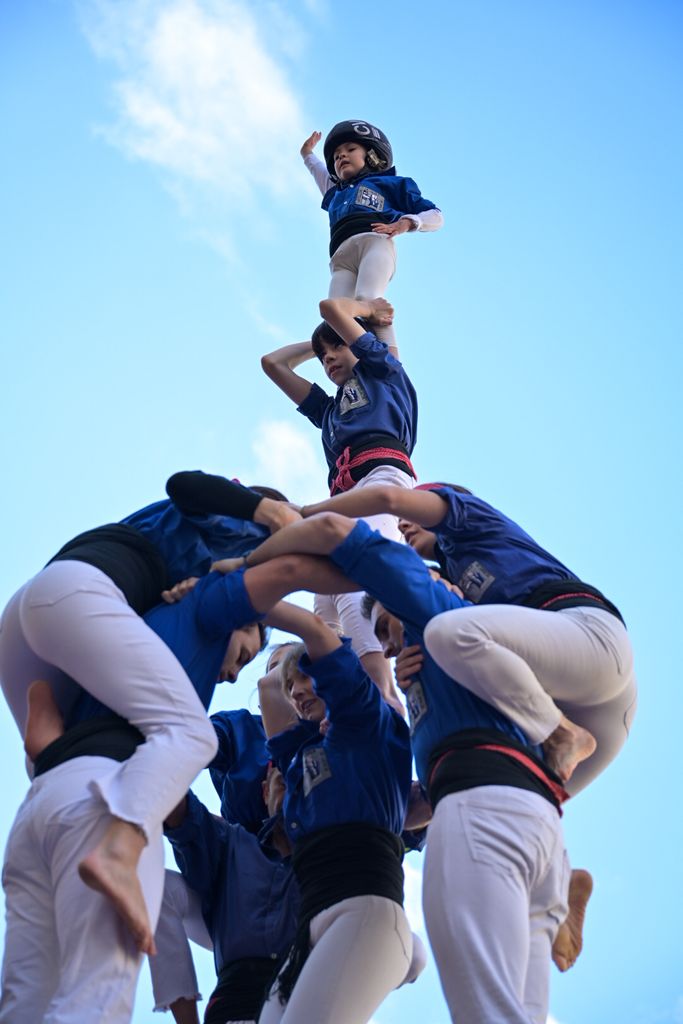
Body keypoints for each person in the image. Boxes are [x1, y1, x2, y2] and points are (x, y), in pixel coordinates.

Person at [216, 512, 570, 1024]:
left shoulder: (365, 715)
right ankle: (415, 952)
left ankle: (539, 890)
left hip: (364, 911)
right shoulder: (299, 757)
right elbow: (278, 690)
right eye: (292, 686)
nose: (295, 689)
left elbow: (319, 636)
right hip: (312, 923)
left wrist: (243, 593)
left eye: (306, 680)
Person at [0, 472, 297, 951]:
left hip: (32, 634)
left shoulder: (187, 588)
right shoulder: (245, 531)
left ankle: (47, 746)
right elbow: (183, 483)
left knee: (53, 771)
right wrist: (275, 516)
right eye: (244, 655)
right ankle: (118, 843)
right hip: (86, 583)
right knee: (189, 733)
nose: (232, 676)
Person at [294, 481, 637, 794]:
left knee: (450, 634)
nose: (402, 524)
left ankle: (559, 732)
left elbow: (388, 498)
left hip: (590, 640)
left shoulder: (473, 522)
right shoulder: (447, 584)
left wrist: (303, 515)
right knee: (516, 800)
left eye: (412, 514)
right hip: (572, 706)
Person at [261, 296, 417, 711]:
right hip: (344, 498)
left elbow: (330, 307)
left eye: (337, 347)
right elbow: (272, 364)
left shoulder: (384, 375)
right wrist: (315, 348)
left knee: (355, 584)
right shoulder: (329, 411)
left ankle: (385, 695)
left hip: (382, 480)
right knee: (324, 607)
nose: (329, 358)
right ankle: (336, 702)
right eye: (322, 354)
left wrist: (365, 311)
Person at [163, 762, 300, 1024]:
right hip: (236, 999)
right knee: (158, 887)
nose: (294, 792)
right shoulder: (232, 842)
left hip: (306, 995)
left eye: (302, 785)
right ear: (265, 792)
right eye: (283, 783)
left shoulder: (329, 858)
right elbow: (183, 815)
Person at [300, 120, 443, 353]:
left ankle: (393, 365)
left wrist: (408, 222)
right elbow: (319, 172)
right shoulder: (336, 192)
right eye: (336, 156)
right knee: (335, 320)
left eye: (350, 150)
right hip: (341, 258)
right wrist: (307, 154)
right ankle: (354, 375)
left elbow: (436, 215)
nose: (341, 157)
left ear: (373, 156)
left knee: (367, 298)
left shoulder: (390, 183)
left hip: (374, 242)